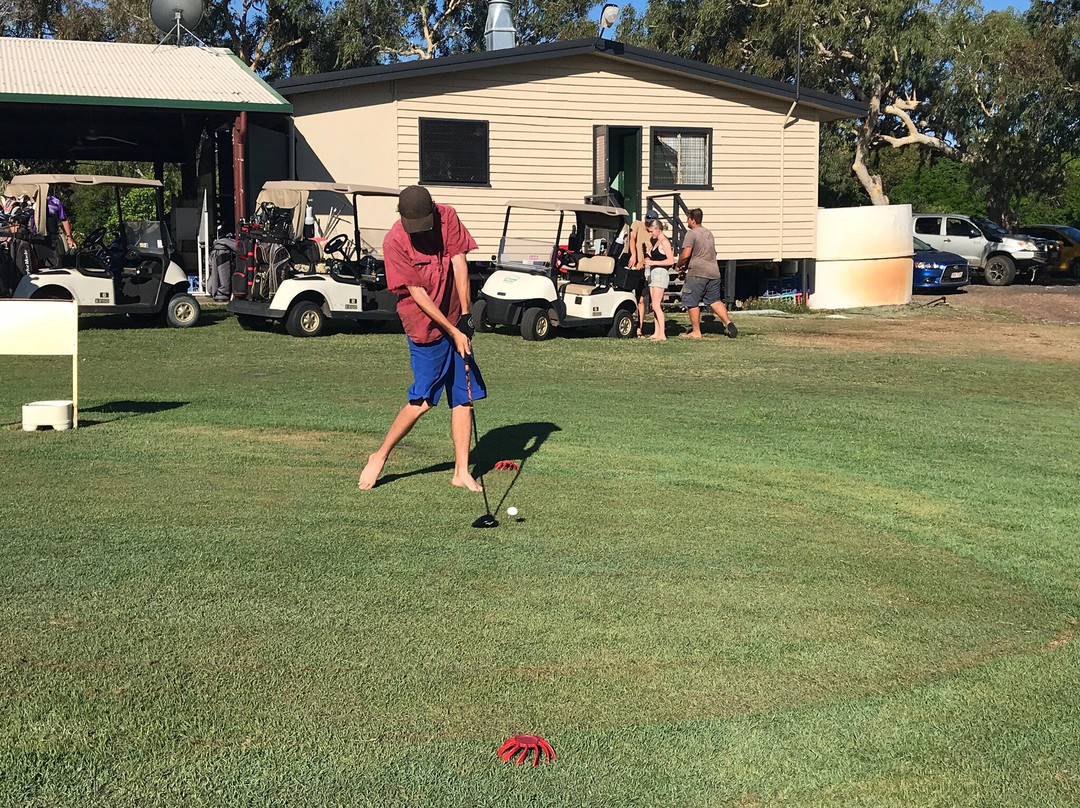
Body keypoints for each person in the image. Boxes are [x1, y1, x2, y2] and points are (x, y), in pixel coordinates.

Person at [358, 186, 485, 491]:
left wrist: (465, 317)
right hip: (424, 326)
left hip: (455, 316)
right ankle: (380, 455)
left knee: (463, 396)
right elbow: (417, 294)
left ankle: (461, 471)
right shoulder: (394, 242)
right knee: (423, 400)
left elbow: (458, 262)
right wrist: (452, 331)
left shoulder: (447, 217)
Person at [676, 208, 737, 339]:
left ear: (692, 220)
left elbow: (686, 254)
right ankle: (728, 322)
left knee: (692, 300)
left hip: (698, 273)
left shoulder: (691, 234)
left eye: (688, 218)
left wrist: (679, 265)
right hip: (714, 272)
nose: (687, 221)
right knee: (714, 300)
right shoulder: (709, 233)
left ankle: (696, 332)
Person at [640, 219, 676, 341]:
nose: (651, 234)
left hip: (661, 273)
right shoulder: (656, 241)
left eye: (651, 231)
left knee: (656, 305)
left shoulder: (665, 242)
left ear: (657, 229)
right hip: (654, 273)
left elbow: (671, 261)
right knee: (654, 304)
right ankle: (656, 332)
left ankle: (662, 334)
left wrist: (653, 262)